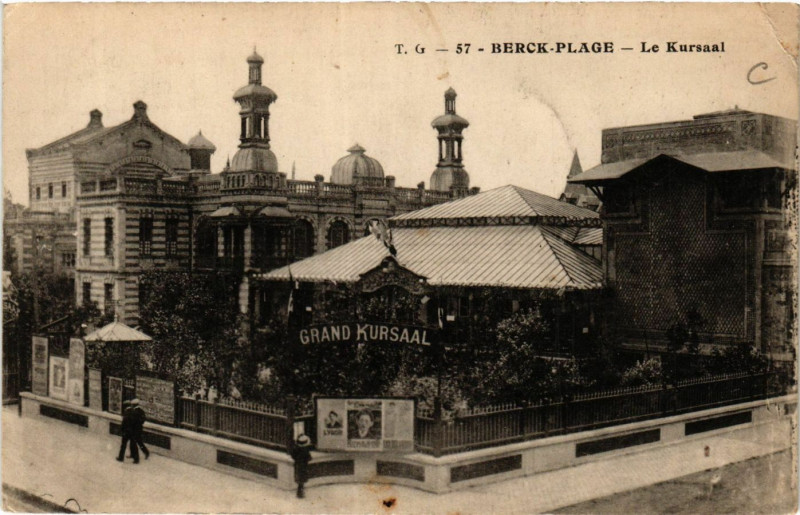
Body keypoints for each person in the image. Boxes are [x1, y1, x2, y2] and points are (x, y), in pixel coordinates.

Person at [290, 434, 312, 499]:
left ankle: (299, 491)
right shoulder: (305, 451)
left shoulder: (296, 449)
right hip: (304, 466)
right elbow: (309, 458)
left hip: (297, 465)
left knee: (299, 478)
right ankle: (300, 491)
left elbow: (293, 455)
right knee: (302, 479)